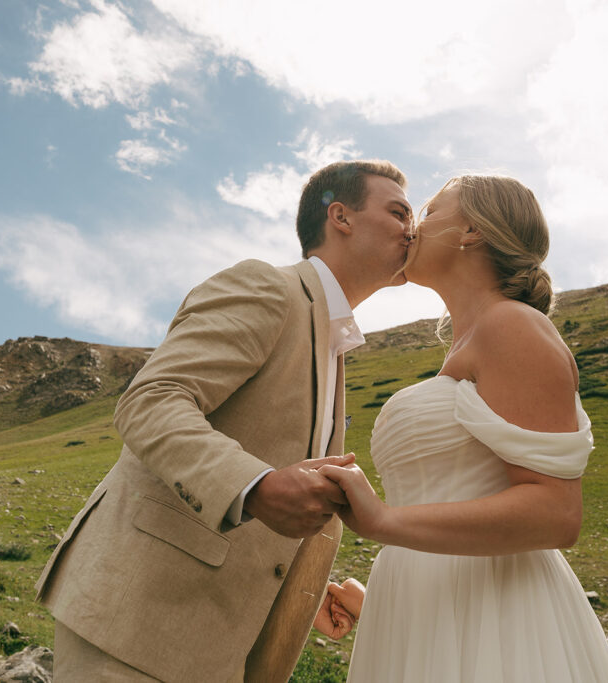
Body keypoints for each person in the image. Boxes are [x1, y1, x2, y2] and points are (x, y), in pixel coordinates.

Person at [34, 159, 413, 682]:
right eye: (398, 212)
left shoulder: (332, 343)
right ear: (341, 217)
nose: (411, 230)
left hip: (210, 648)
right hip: (135, 625)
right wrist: (254, 486)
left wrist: (291, 585)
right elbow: (152, 398)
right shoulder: (268, 287)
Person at [316, 174, 608, 682]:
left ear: (472, 231)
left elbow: (555, 512)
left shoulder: (512, 325)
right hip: (427, 615)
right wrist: (382, 607)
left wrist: (383, 523)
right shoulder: (471, 344)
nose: (414, 223)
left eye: (432, 210)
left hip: (506, 626)